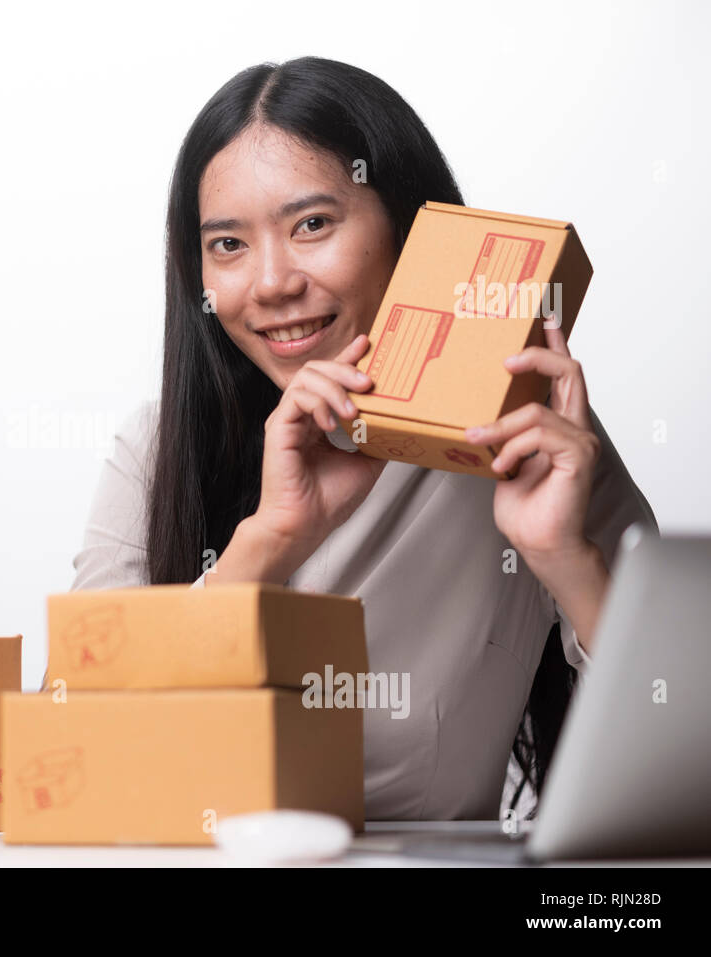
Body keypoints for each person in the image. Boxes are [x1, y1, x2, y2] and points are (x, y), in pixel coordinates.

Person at [70, 56, 657, 821]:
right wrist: (271, 538)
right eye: (228, 245)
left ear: (414, 231)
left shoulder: (527, 437)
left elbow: (680, 738)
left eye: (313, 224)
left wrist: (563, 557)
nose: (273, 281)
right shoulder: (158, 445)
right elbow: (72, 748)